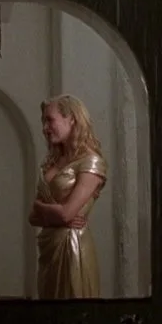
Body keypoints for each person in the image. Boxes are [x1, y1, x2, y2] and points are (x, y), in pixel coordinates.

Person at [28, 94, 107, 299]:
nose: (45, 128)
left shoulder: (91, 162)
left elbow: (66, 214)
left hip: (73, 248)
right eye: (43, 122)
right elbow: (32, 217)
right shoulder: (52, 162)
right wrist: (56, 215)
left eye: (50, 120)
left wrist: (43, 209)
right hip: (49, 251)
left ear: (71, 119)